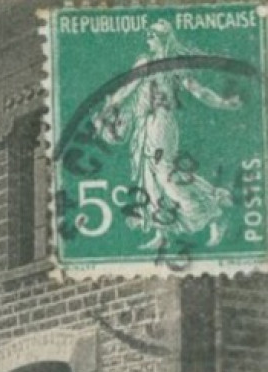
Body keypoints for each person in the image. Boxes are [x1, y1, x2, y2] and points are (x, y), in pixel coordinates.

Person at [93, 20, 244, 252]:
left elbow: (198, 91)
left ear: (163, 38)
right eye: (147, 35)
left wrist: (223, 103)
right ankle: (163, 233)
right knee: (149, 179)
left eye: (152, 35)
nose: (148, 39)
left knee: (166, 174)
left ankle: (213, 212)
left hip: (162, 123)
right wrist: (109, 106)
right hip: (144, 124)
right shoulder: (145, 61)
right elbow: (127, 88)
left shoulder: (176, 65)